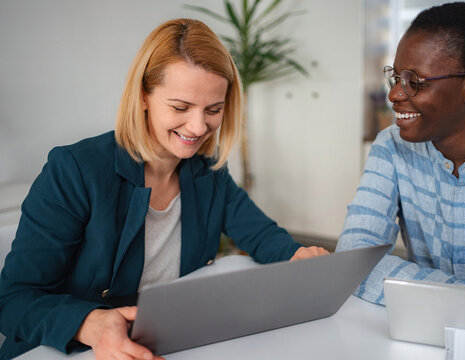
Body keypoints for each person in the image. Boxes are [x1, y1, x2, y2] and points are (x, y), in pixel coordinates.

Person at [0, 18, 327, 360]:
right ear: (143, 95)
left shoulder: (207, 170)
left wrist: (297, 256)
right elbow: (14, 298)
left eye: (213, 110)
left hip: (161, 342)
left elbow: (260, 235)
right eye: (180, 107)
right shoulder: (75, 169)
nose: (199, 126)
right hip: (65, 349)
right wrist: (91, 324)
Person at [337, 2, 465, 305]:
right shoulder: (391, 146)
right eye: (396, 77)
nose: (394, 94)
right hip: (428, 330)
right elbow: (355, 259)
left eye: (414, 82)